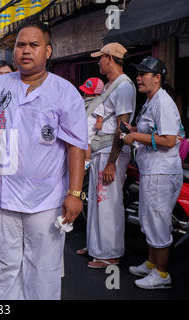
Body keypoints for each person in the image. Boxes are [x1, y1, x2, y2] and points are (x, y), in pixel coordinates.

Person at [0, 21, 87, 300]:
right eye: (20, 45)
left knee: (42, 271)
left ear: (48, 51)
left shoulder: (65, 92)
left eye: (33, 45)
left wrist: (75, 193)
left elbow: (76, 145)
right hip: (0, 197)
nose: (25, 50)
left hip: (45, 200)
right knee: (4, 269)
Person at [123, 57, 182, 289]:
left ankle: (162, 274)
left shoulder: (163, 103)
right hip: (152, 170)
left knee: (157, 221)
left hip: (162, 172)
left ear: (157, 78)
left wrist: (135, 137)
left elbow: (168, 139)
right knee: (149, 218)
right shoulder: (151, 100)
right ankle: (151, 264)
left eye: (144, 74)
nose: (139, 78)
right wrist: (135, 130)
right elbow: (154, 130)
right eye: (138, 74)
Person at [80, 42, 136, 269]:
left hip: (110, 153)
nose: (98, 62)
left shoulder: (124, 87)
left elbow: (123, 125)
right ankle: (95, 247)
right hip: (99, 151)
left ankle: (110, 254)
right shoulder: (109, 86)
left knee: (108, 202)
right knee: (94, 200)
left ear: (110, 59)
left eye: (100, 58)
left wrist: (112, 162)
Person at [78, 77, 105, 170]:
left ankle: (87, 160)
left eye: (87, 92)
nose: (85, 93)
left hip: (89, 126)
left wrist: (99, 122)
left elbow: (100, 115)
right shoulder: (86, 100)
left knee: (87, 143)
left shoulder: (97, 102)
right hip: (83, 125)